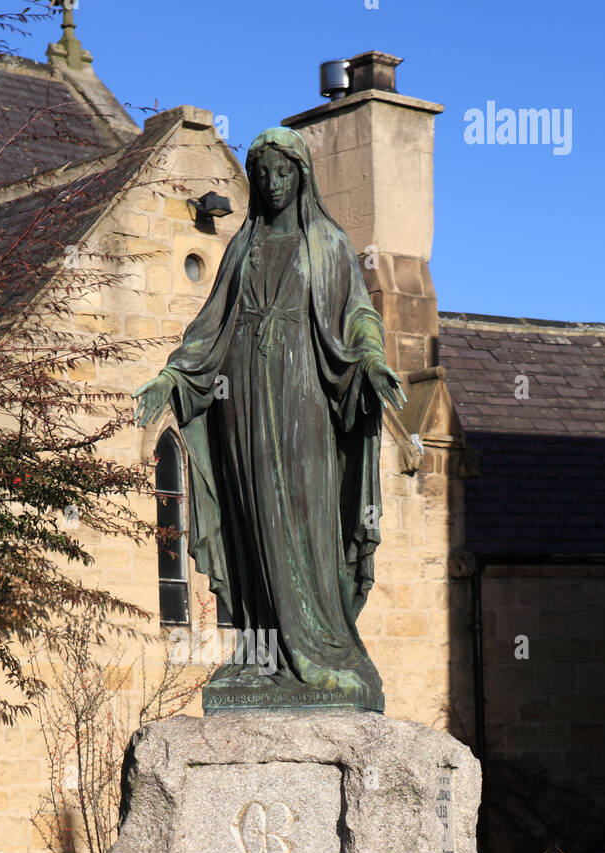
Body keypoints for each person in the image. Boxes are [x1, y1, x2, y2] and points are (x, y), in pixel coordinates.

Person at [133, 127, 406, 711]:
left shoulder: (326, 243)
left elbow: (358, 315)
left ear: (301, 177)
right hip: (243, 402)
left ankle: (321, 651)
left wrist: (372, 363)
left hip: (304, 399)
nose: (273, 184)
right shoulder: (243, 245)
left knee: (305, 518)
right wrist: (171, 378)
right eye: (263, 174)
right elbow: (209, 329)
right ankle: (262, 654)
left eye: (284, 173)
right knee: (251, 518)